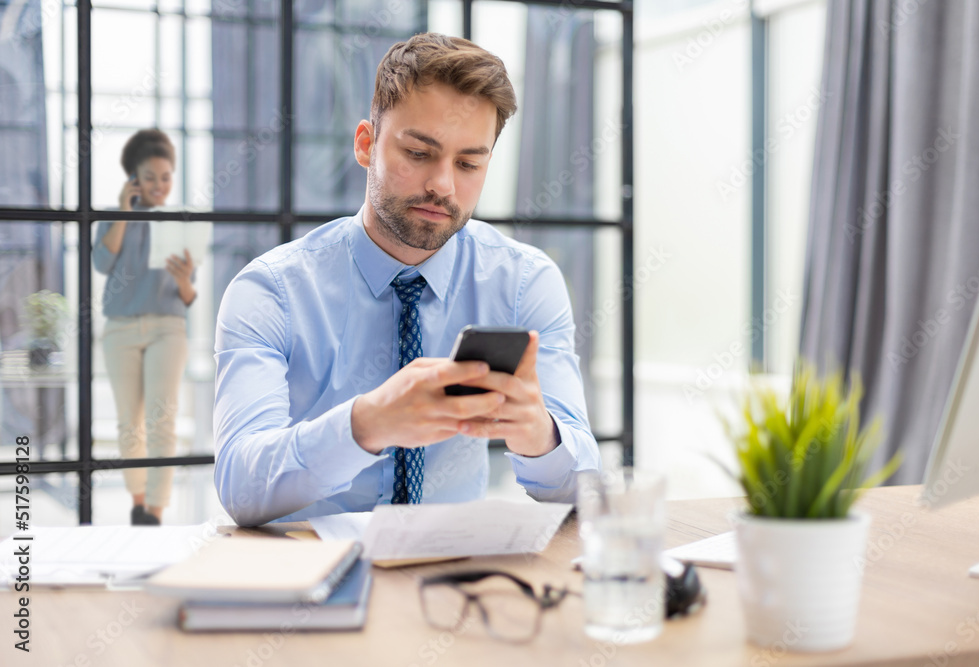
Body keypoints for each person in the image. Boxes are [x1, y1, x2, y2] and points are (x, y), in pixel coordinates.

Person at [213, 33, 600, 527]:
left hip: (455, 576)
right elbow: (240, 487)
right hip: (311, 579)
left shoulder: (524, 282)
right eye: (419, 153)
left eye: (468, 164)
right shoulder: (270, 292)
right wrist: (367, 424)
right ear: (365, 144)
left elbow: (587, 492)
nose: (442, 185)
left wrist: (542, 438)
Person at [93, 129, 196, 525]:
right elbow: (102, 264)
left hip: (167, 327)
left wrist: (185, 279)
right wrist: (123, 209)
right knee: (128, 423)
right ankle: (138, 503)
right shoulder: (113, 217)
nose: (159, 186)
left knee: (161, 419)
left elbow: (188, 297)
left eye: (166, 177)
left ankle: (155, 510)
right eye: (150, 177)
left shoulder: (179, 222)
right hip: (120, 328)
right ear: (134, 179)